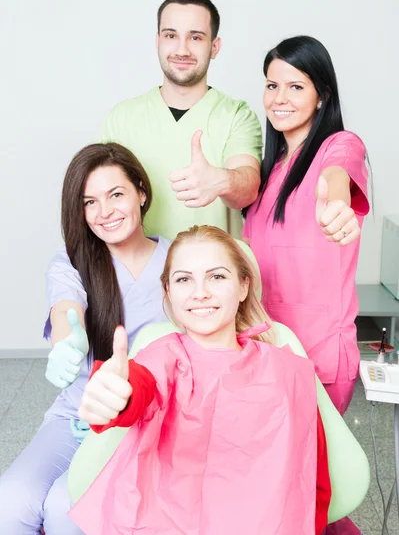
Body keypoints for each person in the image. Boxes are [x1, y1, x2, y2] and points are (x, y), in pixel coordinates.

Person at [69, 225, 331, 535]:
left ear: (244, 286)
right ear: (168, 291)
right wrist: (113, 395)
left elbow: (312, 482)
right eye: (183, 279)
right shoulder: (162, 357)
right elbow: (137, 386)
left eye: (217, 276)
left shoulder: (288, 371)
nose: (200, 292)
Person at [0, 143, 170, 534]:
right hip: (75, 417)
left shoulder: (178, 260)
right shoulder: (72, 259)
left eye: (116, 195)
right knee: (10, 503)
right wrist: (69, 339)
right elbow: (66, 305)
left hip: (143, 423)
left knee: (66, 508)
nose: (104, 212)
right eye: (90, 201)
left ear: (141, 193)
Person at [242, 36, 369, 535]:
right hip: (270, 347)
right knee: (295, 483)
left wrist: (336, 203)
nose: (279, 98)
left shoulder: (339, 145)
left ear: (323, 94)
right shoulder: (269, 172)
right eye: (272, 85)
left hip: (318, 353)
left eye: (296, 85)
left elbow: (336, 178)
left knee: (302, 488)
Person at [102, 0, 263, 241]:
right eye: (171, 35)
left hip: (213, 274)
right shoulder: (120, 118)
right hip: (139, 276)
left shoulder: (236, 115)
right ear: (157, 40)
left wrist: (222, 180)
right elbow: (103, 200)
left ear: (215, 47)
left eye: (196, 37)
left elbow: (248, 187)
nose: (182, 49)